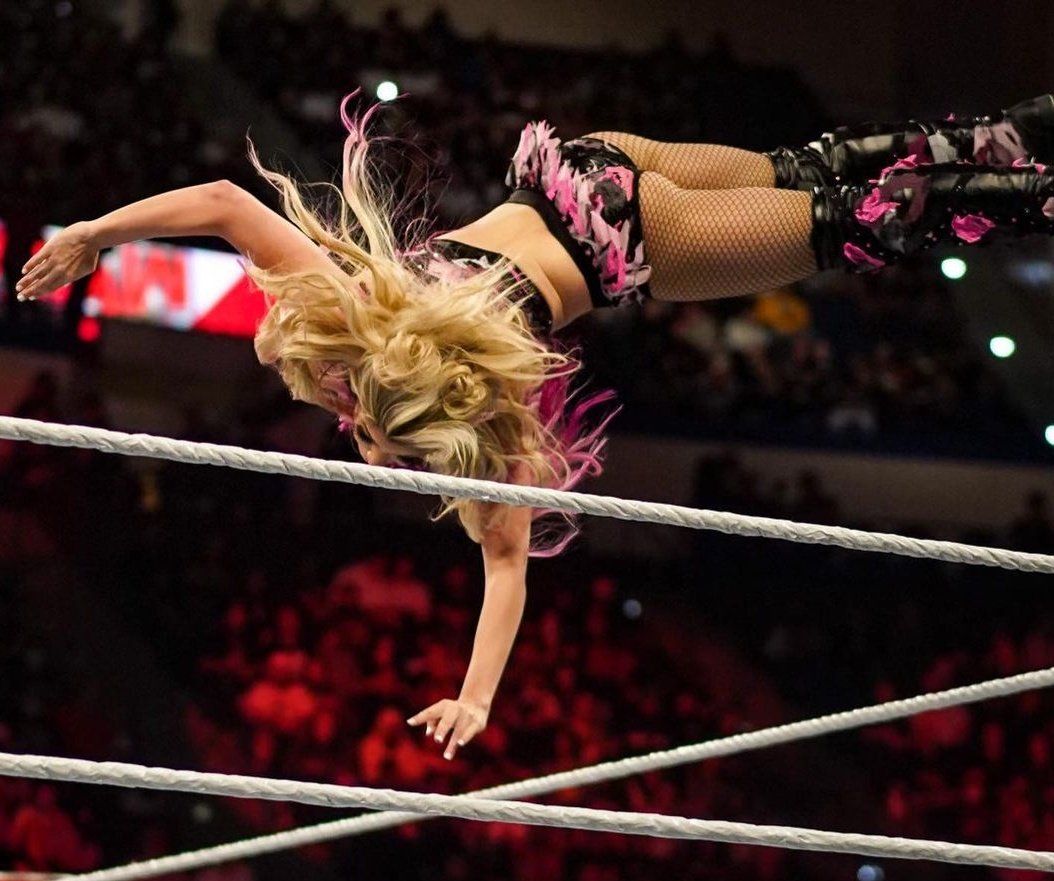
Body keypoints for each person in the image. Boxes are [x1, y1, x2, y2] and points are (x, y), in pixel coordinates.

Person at [15, 93, 1054, 759]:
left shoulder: (468, 408)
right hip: (584, 166)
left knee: (857, 220)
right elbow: (220, 200)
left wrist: (477, 699)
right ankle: (1023, 133)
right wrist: (95, 234)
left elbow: (507, 564)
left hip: (635, 239)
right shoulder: (364, 301)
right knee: (817, 169)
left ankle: (1036, 193)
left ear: (373, 425)